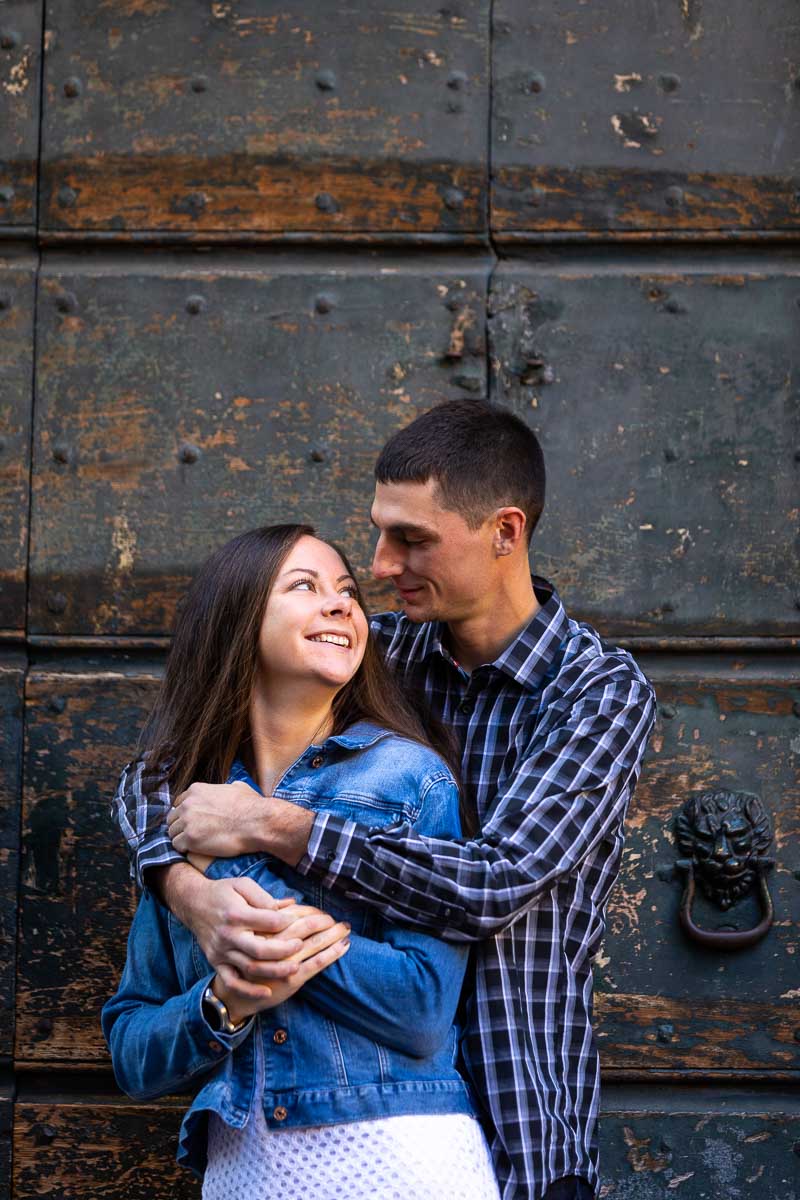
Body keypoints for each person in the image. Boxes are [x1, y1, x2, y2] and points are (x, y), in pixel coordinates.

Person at [113, 400, 657, 1200]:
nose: (378, 564)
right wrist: (185, 888)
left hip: (516, 1111)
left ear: (505, 532)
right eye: (378, 532)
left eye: (412, 539)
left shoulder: (596, 693)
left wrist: (270, 828)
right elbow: (159, 778)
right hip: (303, 1113)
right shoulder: (376, 647)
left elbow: (493, 882)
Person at [103, 523, 501, 1200]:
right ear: (238, 619)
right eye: (305, 587)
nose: (343, 604)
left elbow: (423, 1008)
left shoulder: (411, 780)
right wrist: (222, 1003)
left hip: (405, 1160)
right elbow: (132, 1050)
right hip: (245, 1170)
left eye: (346, 591)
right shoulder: (184, 812)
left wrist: (250, 911)